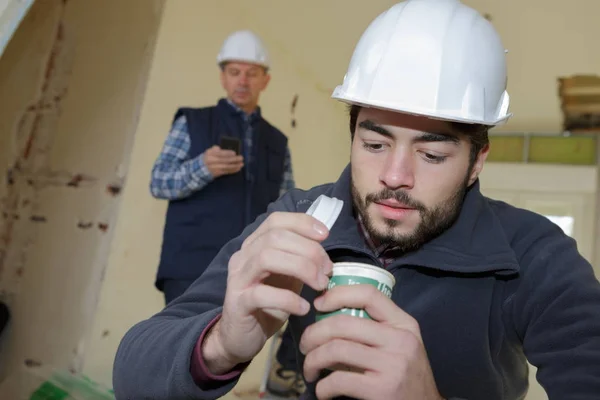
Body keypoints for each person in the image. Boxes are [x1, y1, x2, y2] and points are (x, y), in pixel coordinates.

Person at [113, 1, 600, 399]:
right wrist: (219, 344)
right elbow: (134, 371)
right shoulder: (299, 219)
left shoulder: (535, 255)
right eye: (374, 144)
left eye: (431, 154)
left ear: (476, 162)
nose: (394, 176)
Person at [149, 29, 302, 397]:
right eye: (234, 71)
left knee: (226, 367)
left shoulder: (278, 142)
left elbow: (286, 205)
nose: (242, 81)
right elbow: (159, 182)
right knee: (183, 362)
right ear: (222, 76)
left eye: (251, 73)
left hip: (249, 270)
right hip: (189, 267)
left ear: (265, 80)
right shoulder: (193, 123)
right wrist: (202, 167)